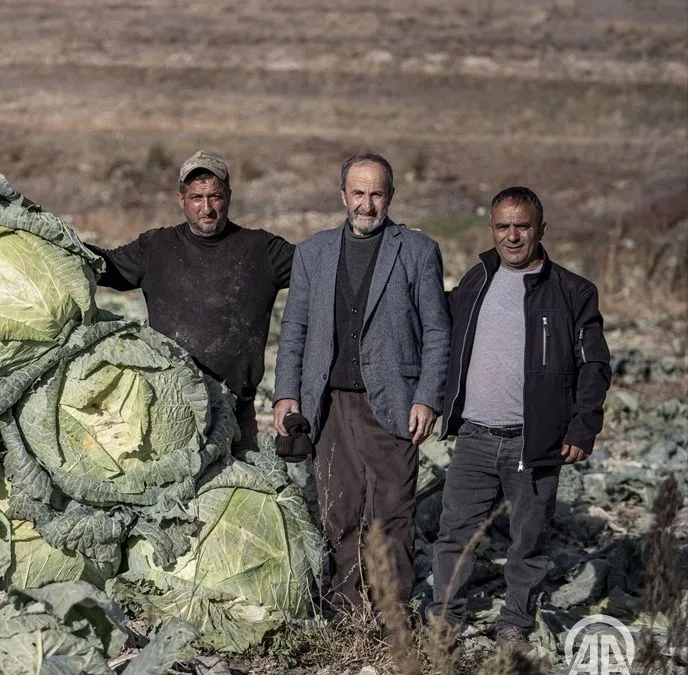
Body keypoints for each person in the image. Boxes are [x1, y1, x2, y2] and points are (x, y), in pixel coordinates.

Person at [429, 187, 611, 652]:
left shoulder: (573, 292)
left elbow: (595, 366)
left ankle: (514, 623)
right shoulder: (476, 280)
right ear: (492, 229)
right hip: (474, 436)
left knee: (528, 541)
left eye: (523, 226)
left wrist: (582, 425)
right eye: (504, 226)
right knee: (455, 535)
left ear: (541, 230)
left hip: (535, 442)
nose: (513, 236)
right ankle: (446, 619)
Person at [271, 152, 450, 615]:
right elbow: (294, 330)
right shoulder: (313, 252)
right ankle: (346, 612)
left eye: (376, 194)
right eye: (358, 193)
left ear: (389, 197)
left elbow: (436, 330)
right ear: (342, 195)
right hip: (327, 404)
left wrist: (428, 397)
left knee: (391, 511)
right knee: (339, 511)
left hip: (393, 401)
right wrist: (287, 393)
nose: (366, 204)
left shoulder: (417, 251)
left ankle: (392, 614)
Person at [87, 151, 294, 448]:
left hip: (236, 413)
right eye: (197, 197)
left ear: (229, 196)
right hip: (171, 409)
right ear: (181, 198)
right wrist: (49, 235)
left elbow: (319, 268)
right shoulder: (156, 248)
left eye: (215, 197)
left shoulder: (262, 250)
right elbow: (102, 265)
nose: (207, 208)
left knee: (238, 491)